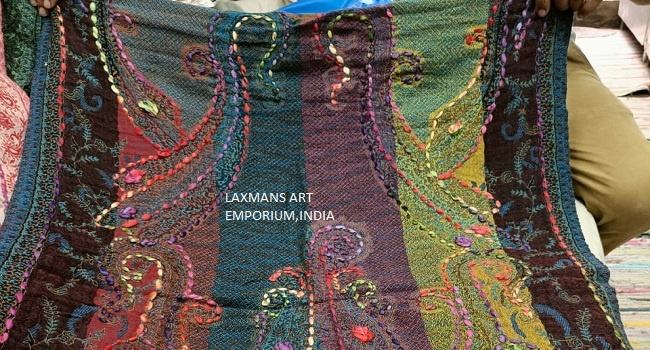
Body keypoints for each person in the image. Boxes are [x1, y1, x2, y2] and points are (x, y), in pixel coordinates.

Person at [26, 0, 650, 253]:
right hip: (298, 47)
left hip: (485, 41)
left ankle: (540, 289)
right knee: (276, 217)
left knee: (634, 189)